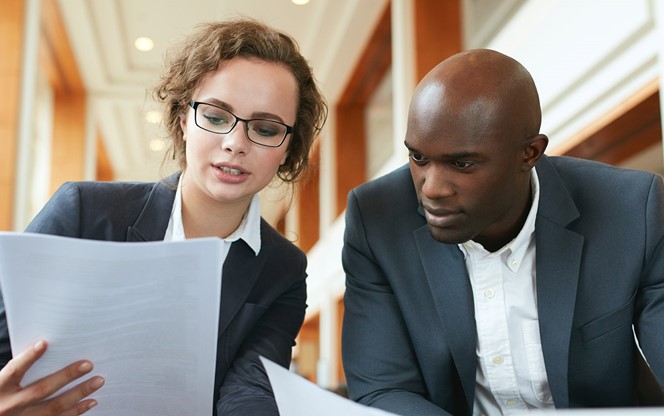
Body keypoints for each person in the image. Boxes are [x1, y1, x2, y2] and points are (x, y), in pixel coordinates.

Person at [0, 18, 327, 416]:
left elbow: (251, 388)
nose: (235, 144)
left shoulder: (283, 270)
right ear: (183, 119)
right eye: (217, 116)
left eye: (265, 128)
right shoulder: (83, 212)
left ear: (289, 148)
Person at [341, 48, 664, 415]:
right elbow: (382, 390)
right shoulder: (377, 219)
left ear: (529, 154)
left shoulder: (631, 211)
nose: (431, 188)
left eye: (462, 163)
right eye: (418, 158)